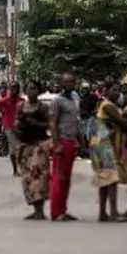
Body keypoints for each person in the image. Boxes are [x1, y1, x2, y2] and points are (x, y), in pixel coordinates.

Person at [91, 81, 127, 222]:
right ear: (107, 91)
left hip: (103, 144)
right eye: (114, 90)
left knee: (104, 178)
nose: (117, 93)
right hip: (105, 145)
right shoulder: (108, 105)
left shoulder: (109, 105)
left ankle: (103, 213)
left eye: (119, 90)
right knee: (110, 179)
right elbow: (121, 122)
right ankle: (113, 212)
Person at [47, 73, 85, 222]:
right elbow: (53, 123)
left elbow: (77, 122)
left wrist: (80, 142)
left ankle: (63, 209)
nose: (69, 84)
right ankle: (55, 211)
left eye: (72, 81)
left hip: (71, 141)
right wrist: (56, 144)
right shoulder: (58, 101)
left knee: (67, 178)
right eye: (66, 81)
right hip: (61, 142)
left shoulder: (74, 100)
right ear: (61, 83)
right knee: (59, 177)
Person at [15, 80, 52, 220]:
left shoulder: (42, 108)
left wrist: (34, 123)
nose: (32, 91)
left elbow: (49, 124)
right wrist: (18, 125)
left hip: (39, 145)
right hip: (25, 145)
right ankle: (36, 209)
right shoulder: (21, 107)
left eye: (34, 88)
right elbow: (16, 125)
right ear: (25, 90)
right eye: (29, 88)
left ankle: (40, 210)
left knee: (38, 177)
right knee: (27, 179)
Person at [0, 82, 21, 176]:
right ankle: (15, 169)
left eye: (16, 88)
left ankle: (17, 169)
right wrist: (1, 113)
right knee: (15, 146)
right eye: (13, 88)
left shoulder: (21, 100)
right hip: (8, 126)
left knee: (16, 148)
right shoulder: (5, 100)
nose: (15, 90)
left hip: (19, 126)